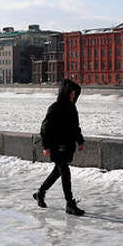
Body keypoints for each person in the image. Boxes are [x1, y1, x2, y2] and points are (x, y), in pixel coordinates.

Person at [34, 78, 85, 216]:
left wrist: (80, 141)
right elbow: (45, 128)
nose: (73, 96)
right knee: (65, 171)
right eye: (72, 93)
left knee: (58, 171)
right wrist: (46, 146)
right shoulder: (55, 107)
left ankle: (40, 193)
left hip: (68, 145)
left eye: (75, 94)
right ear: (65, 92)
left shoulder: (72, 108)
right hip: (56, 145)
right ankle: (70, 203)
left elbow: (75, 127)